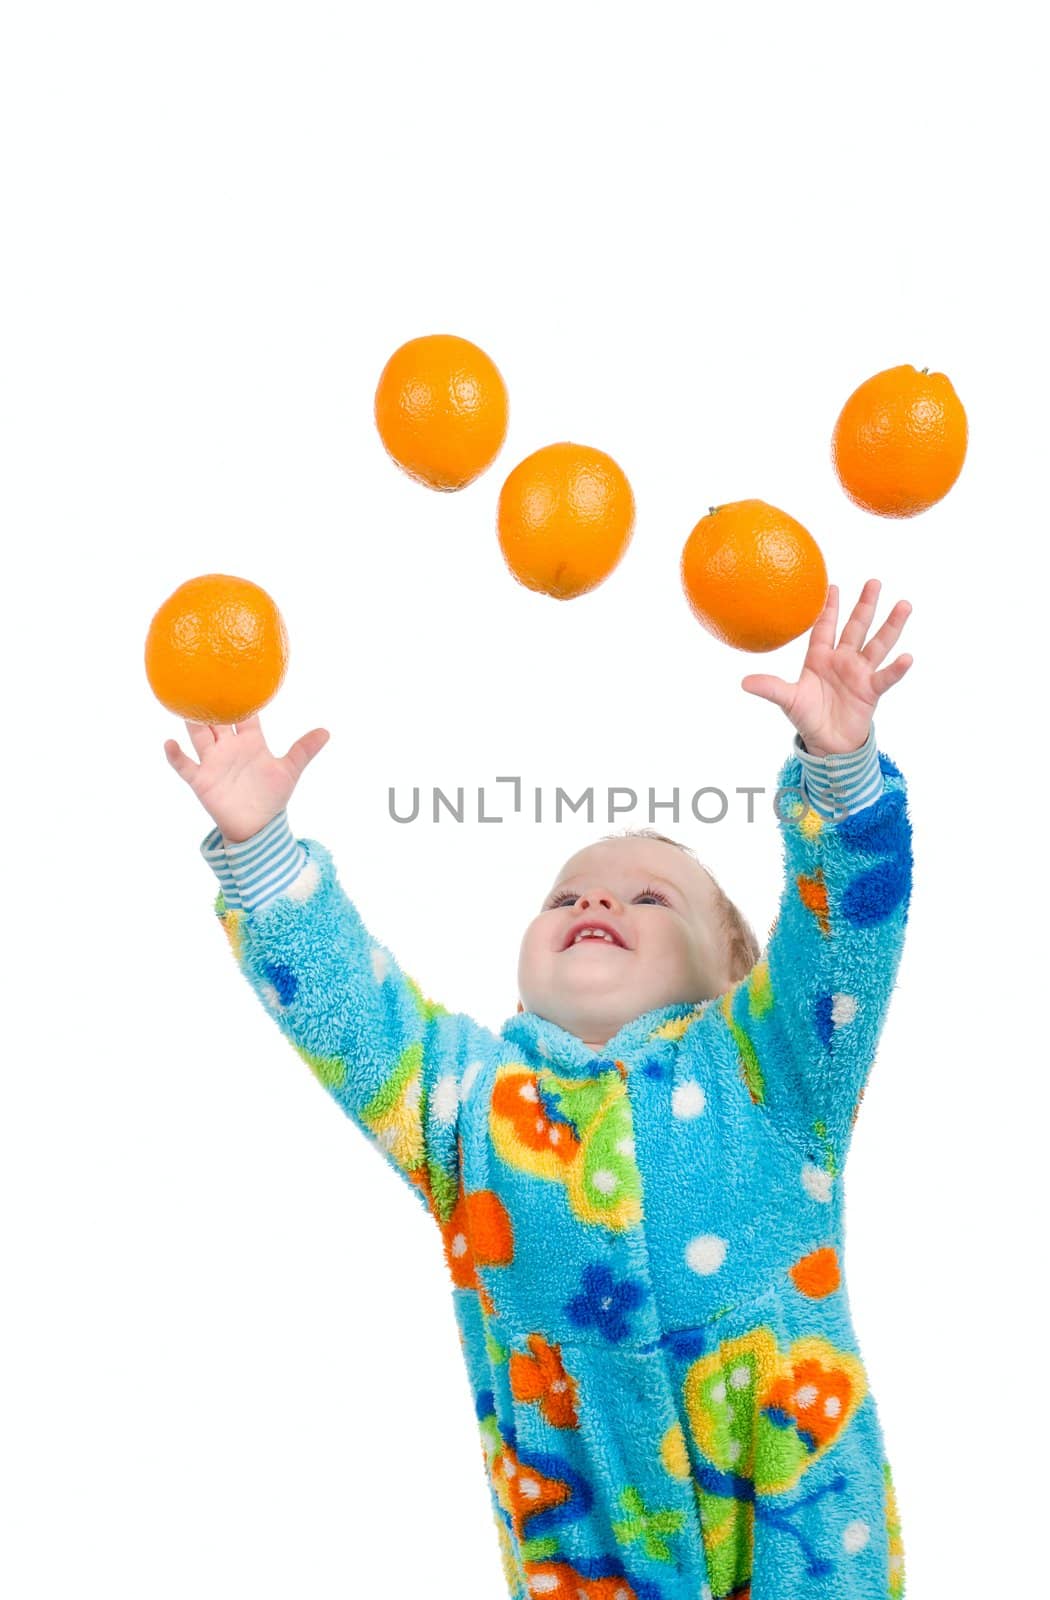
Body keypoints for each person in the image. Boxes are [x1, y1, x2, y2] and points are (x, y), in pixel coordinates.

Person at [166, 577, 915, 1600]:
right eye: (564, 893)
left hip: (806, 1555)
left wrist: (838, 773)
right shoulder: (468, 1105)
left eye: (646, 896)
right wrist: (260, 848)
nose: (595, 897)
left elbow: (846, 936)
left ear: (733, 960)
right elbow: (347, 1008)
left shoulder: (770, 1070)